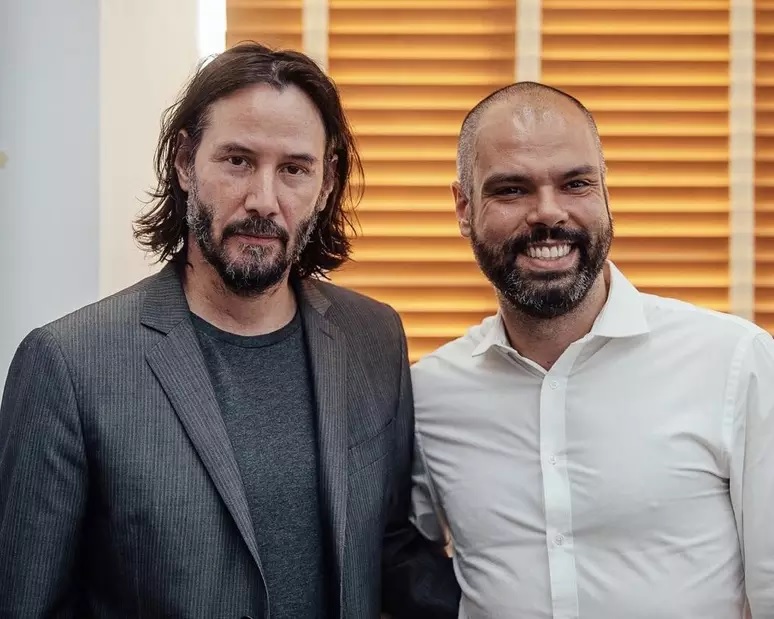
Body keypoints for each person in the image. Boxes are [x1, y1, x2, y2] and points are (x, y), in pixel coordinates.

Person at [0, 42, 459, 619]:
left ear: (324, 182)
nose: (263, 200)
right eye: (238, 160)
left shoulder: (373, 336)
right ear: (186, 162)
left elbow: (387, 545)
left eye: (294, 169)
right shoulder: (66, 364)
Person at [410, 81, 774, 618]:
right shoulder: (428, 395)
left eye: (575, 183)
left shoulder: (733, 361)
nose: (548, 213)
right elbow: (402, 572)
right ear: (463, 208)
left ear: (605, 191)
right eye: (511, 190)